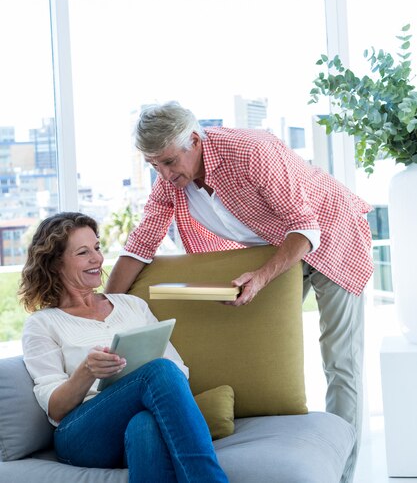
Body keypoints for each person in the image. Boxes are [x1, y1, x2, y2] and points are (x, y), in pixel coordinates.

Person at [106, 101, 374, 483]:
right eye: (154, 166)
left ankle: (342, 476)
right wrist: (104, 306)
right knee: (253, 349)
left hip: (332, 233)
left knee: (341, 362)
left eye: (168, 162)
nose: (163, 175)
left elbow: (305, 225)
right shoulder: (171, 182)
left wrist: (263, 277)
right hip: (280, 245)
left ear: (194, 141)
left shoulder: (250, 151)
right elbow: (140, 244)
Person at [19, 211, 229, 483]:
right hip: (82, 434)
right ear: (55, 263)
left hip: (137, 418)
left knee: (145, 424)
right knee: (156, 372)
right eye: (83, 253)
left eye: (97, 248)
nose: (97, 259)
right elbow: (56, 410)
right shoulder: (43, 324)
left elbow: (178, 371)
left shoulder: (132, 306)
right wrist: (87, 371)